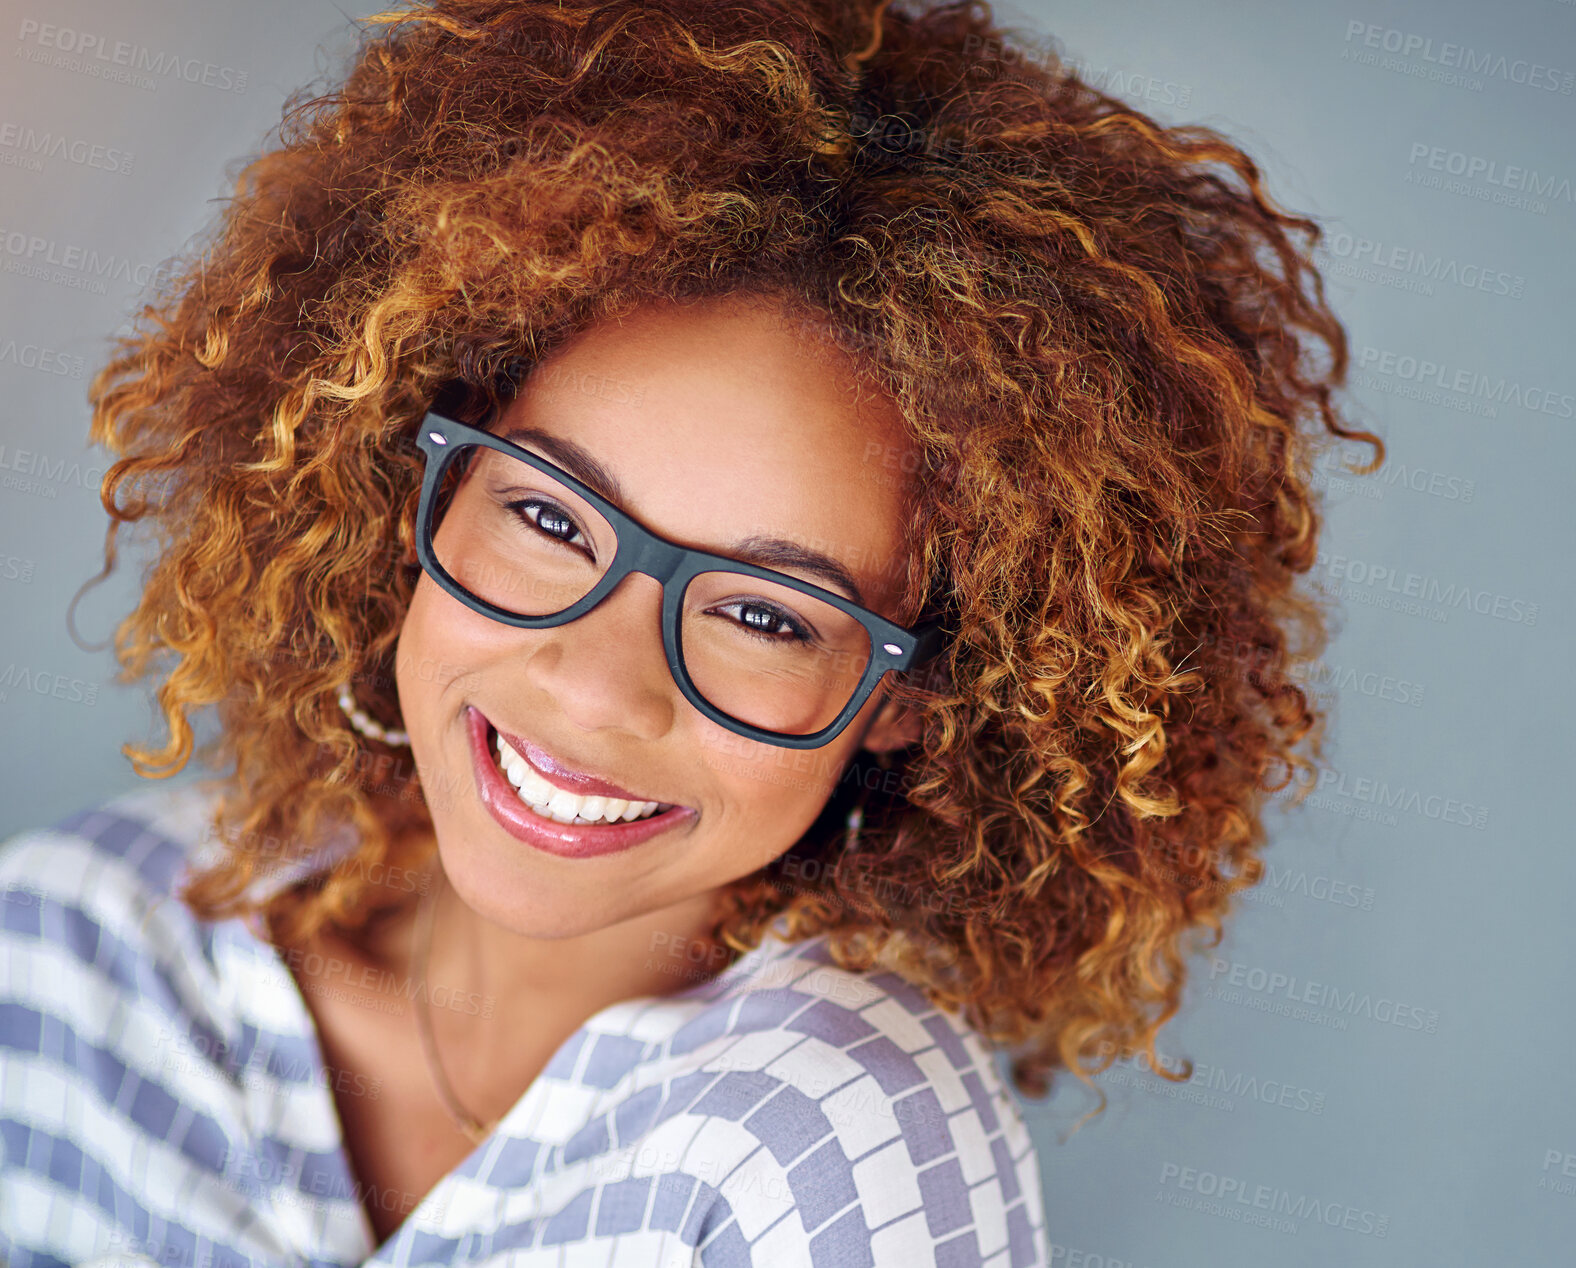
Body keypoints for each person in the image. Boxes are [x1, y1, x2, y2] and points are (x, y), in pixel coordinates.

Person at [0, 0, 1381, 1265]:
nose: (596, 687)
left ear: (915, 694)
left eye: (768, 613)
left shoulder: (832, 1150)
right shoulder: (77, 952)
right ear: (411, 471)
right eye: (549, 520)